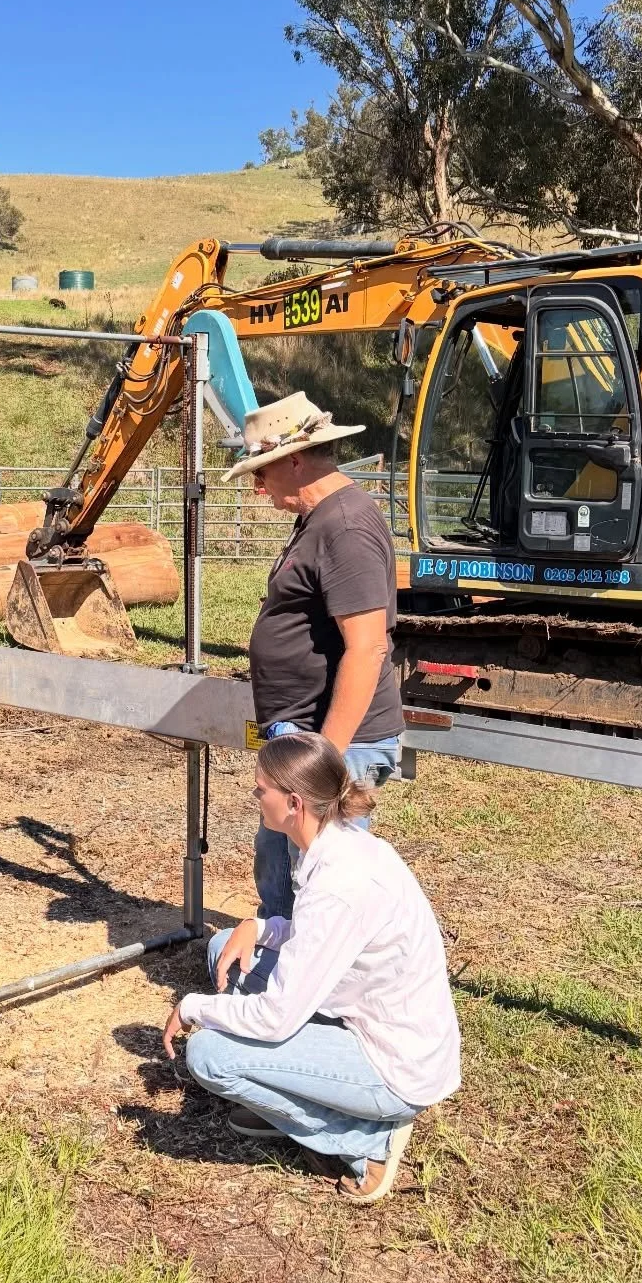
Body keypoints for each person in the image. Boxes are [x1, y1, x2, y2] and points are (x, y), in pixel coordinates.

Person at [163, 730, 460, 1203]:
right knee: (224, 949)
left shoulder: (339, 885)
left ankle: (367, 1140)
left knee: (209, 1055)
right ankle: (293, 1094)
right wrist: (259, 928)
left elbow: (276, 1017)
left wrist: (193, 1007)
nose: (255, 796)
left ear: (293, 803)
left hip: (392, 1066)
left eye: (261, 788)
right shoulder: (337, 843)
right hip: (366, 1016)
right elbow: (315, 935)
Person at [224, 390, 404, 954]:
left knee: (322, 886)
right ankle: (283, 974)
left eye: (262, 471)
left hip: (331, 742)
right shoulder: (320, 520)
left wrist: (325, 759)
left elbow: (367, 648)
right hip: (302, 738)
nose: (258, 486)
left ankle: (318, 987)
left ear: (296, 460)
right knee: (281, 869)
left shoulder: (345, 527)